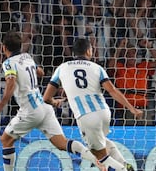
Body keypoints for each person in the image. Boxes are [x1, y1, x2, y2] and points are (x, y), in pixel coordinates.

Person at [0, 31, 101, 171]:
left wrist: (0, 104)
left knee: (6, 140)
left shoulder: (8, 64)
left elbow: (10, 83)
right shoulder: (27, 57)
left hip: (29, 111)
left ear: (4, 48)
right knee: (62, 143)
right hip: (44, 108)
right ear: (20, 45)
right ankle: (97, 161)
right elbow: (40, 72)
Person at [43, 38, 143, 171]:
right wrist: (132, 108)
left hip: (87, 117)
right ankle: (125, 164)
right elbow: (112, 90)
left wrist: (55, 102)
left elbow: (46, 97)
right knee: (103, 143)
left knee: (99, 156)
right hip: (104, 112)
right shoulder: (97, 68)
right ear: (89, 51)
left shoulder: (62, 68)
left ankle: (124, 169)